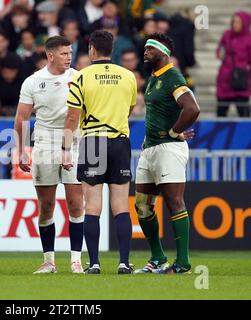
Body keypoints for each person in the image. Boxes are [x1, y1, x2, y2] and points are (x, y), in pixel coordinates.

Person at [63, 30, 137, 274]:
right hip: (119, 141)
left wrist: (65, 148)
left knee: (92, 206)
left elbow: (73, 117)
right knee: (121, 206)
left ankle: (94, 263)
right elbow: (129, 109)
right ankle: (124, 262)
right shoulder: (128, 76)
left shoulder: (81, 77)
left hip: (93, 141)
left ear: (92, 50)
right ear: (112, 50)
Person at [14, 35, 84, 274]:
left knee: (76, 203)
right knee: (46, 205)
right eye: (64, 53)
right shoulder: (33, 82)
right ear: (50, 55)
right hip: (44, 141)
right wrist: (21, 150)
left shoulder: (78, 77)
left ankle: (76, 261)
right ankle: (48, 261)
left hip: (74, 141)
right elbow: (22, 118)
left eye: (70, 53)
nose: (69, 57)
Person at [134, 33, 200, 274]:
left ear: (163, 53)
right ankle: (158, 258)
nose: (145, 53)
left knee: (174, 202)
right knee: (142, 206)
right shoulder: (153, 78)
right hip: (150, 148)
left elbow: (192, 109)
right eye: (144, 49)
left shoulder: (173, 76)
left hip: (169, 149)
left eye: (149, 49)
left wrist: (174, 131)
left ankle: (182, 263)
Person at [216, 11, 251, 117]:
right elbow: (220, 49)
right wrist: (220, 53)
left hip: (240, 80)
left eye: (238, 22)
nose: (235, 24)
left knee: (243, 113)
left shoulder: (249, 39)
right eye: (233, 21)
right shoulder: (227, 35)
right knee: (221, 112)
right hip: (224, 79)